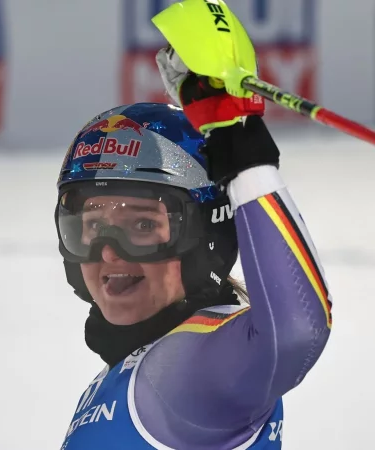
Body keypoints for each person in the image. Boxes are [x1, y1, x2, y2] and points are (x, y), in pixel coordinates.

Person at [55, 44, 332, 449]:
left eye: (144, 225)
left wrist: (242, 150)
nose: (109, 253)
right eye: (93, 226)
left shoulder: (187, 370)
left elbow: (293, 333)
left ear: (207, 237)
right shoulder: (127, 376)